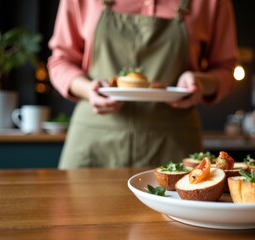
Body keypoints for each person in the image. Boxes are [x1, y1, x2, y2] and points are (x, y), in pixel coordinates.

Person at [48, 0, 237, 168]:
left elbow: (226, 69)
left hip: (173, 141)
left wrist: (200, 83)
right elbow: (60, 62)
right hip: (94, 141)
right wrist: (88, 89)